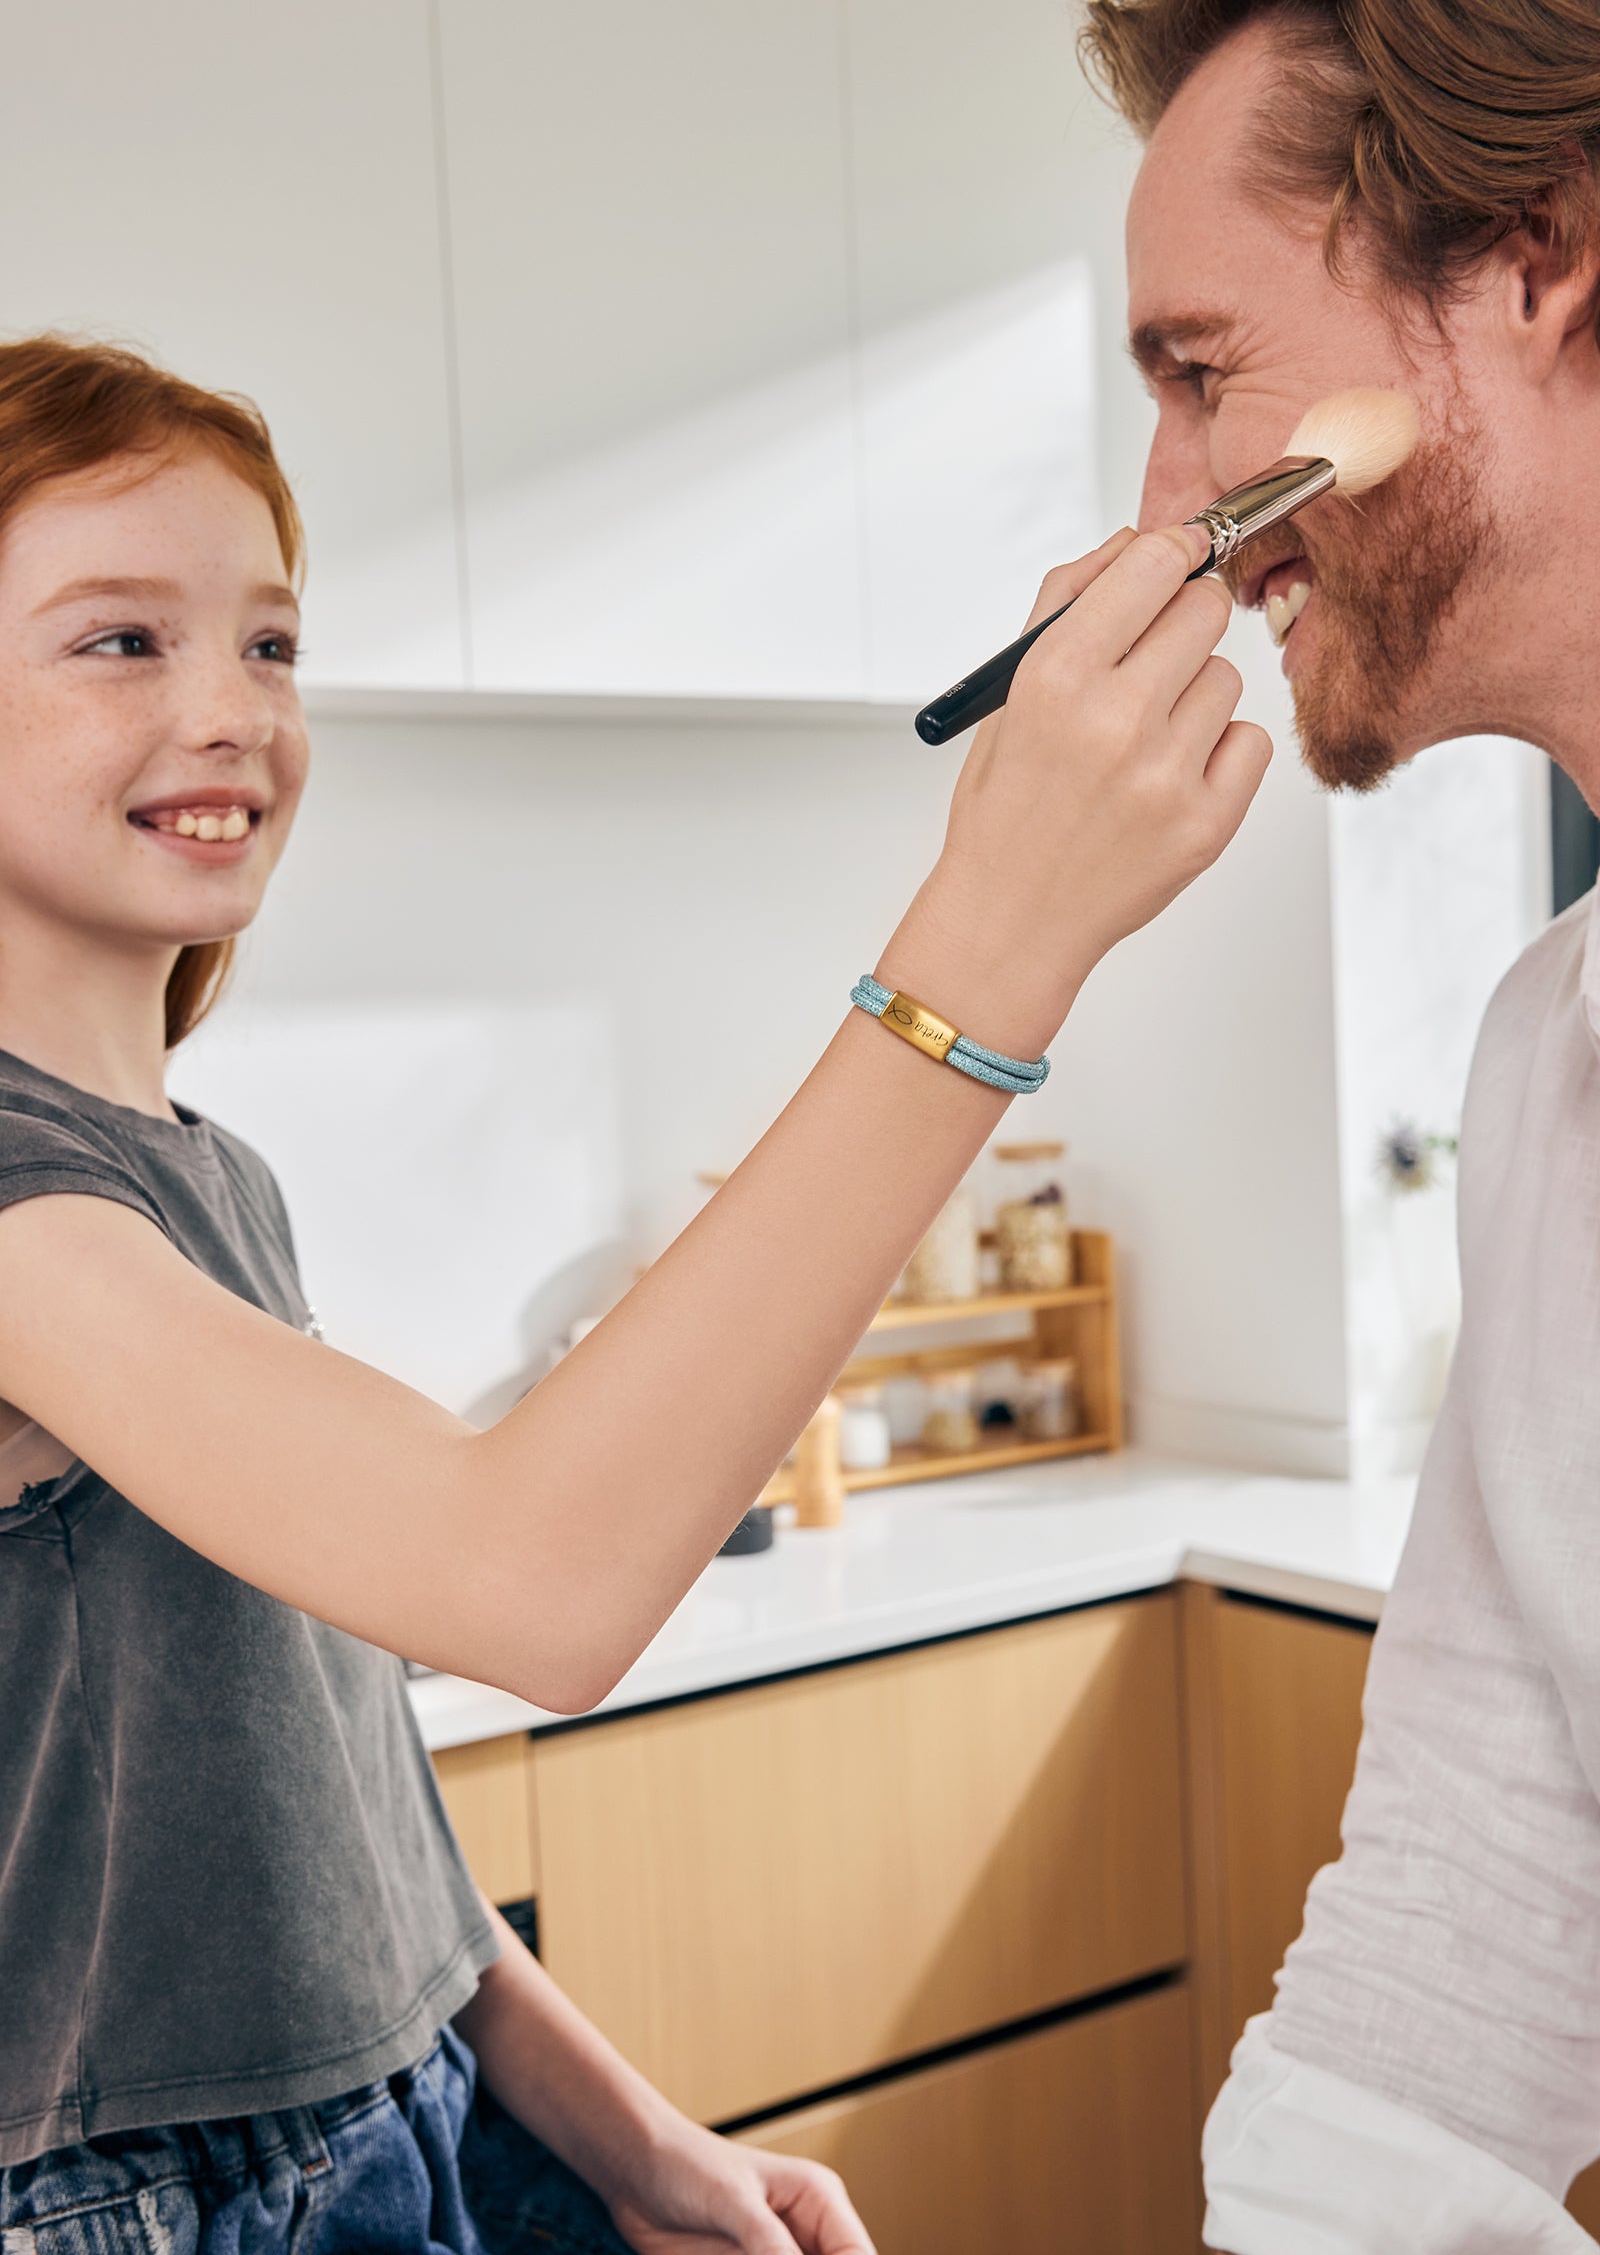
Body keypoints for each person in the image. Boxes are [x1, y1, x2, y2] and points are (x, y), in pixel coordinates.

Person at [0, 332, 1258, 2255]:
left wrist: (634, 2138)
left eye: (270, 642)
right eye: (120, 641)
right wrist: (1004, 928)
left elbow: (349, 1794)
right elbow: (528, 1582)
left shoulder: (205, 1177)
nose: (233, 709)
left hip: (406, 2117)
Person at [1079, 0, 1600, 2246]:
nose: (1170, 510)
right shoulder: (1547, 1058)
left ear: (1530, 256)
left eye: (1198, 374)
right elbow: (1485, 1850)